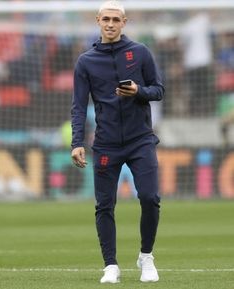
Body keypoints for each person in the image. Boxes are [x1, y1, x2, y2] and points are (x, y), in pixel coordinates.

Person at [71, 0, 165, 284]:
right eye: (106, 19)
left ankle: (146, 257)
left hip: (140, 140)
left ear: (124, 23)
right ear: (98, 21)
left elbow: (158, 90)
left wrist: (138, 91)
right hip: (106, 143)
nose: (110, 24)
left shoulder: (140, 52)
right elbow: (78, 105)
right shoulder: (86, 61)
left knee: (150, 198)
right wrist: (77, 142)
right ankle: (110, 265)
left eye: (116, 19)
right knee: (104, 205)